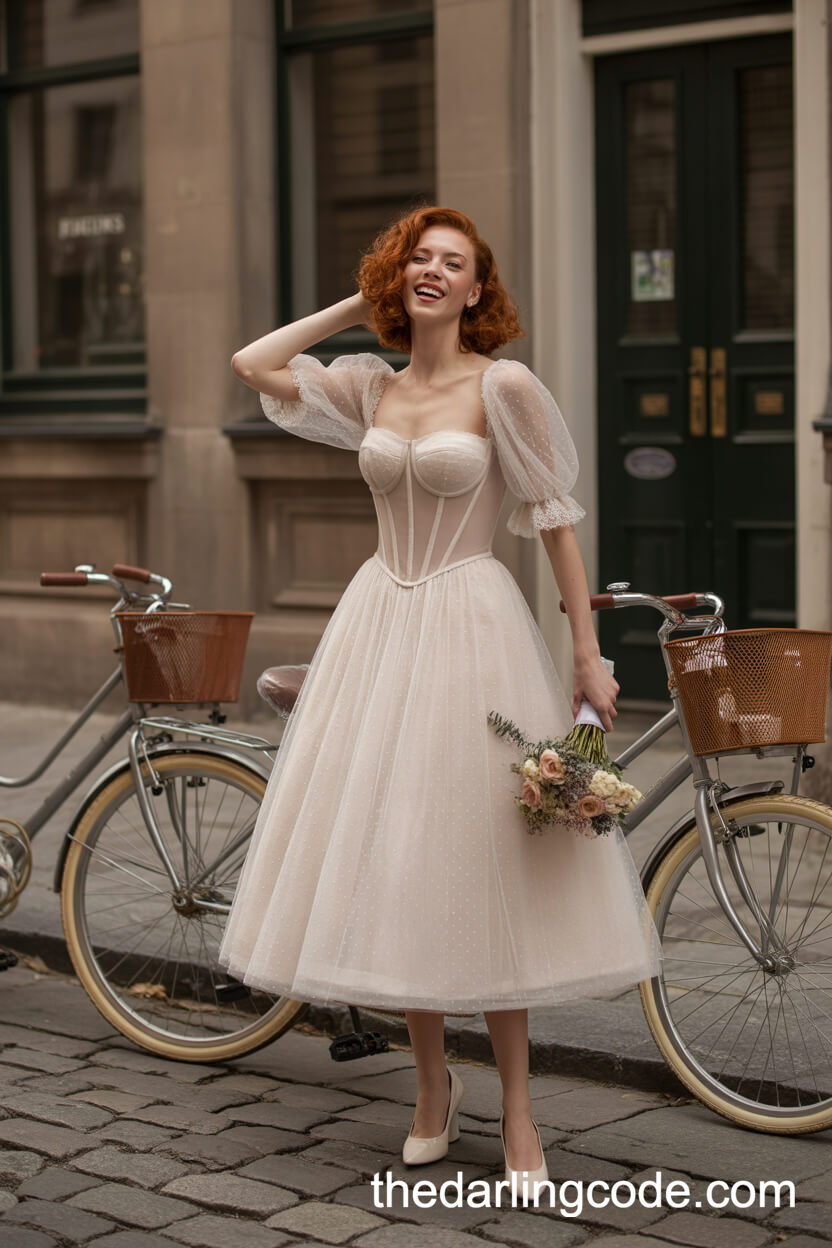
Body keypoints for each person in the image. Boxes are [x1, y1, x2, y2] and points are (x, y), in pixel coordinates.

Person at [219, 205, 663, 1191]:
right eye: (416, 258)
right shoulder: (367, 386)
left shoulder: (502, 385)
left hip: (471, 627)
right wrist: (360, 300)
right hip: (379, 622)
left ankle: (515, 1111)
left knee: (484, 862)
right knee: (398, 859)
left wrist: (586, 652)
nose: (431, 271)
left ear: (477, 291)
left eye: (450, 263)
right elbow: (253, 363)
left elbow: (553, 519)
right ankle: (429, 1090)